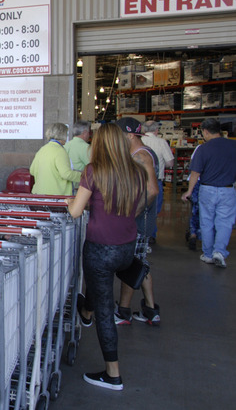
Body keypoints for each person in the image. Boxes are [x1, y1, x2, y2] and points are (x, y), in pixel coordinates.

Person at [66, 122, 149, 391]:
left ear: (100, 144)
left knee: (104, 308)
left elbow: (76, 211)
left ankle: (113, 374)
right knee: (98, 291)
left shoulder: (93, 171)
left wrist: (70, 202)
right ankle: (86, 311)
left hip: (100, 249)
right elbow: (138, 204)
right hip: (126, 247)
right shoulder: (136, 170)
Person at [115, 117, 161, 326]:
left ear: (130, 135)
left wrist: (133, 213)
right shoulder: (140, 154)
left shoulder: (140, 156)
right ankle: (151, 310)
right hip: (143, 220)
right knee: (140, 263)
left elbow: (152, 190)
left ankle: (123, 311)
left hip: (139, 223)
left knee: (130, 264)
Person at [182, 118, 236, 269]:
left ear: (205, 131)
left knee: (206, 221)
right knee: (225, 222)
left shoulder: (203, 149)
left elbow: (195, 173)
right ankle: (219, 251)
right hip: (228, 189)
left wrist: (189, 191)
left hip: (207, 189)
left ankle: (207, 254)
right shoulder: (234, 145)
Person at [141, 120, 175, 238]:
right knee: (153, 210)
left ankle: (139, 235)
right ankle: (151, 235)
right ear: (156, 130)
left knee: (138, 209)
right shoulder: (162, 142)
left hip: (138, 182)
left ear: (143, 130)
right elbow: (170, 163)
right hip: (156, 181)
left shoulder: (139, 141)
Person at [29, 123, 80, 195]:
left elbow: (32, 171)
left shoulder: (42, 149)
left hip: (38, 194)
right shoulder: (60, 151)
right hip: (56, 196)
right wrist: (84, 176)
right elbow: (66, 174)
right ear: (63, 135)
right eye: (67, 134)